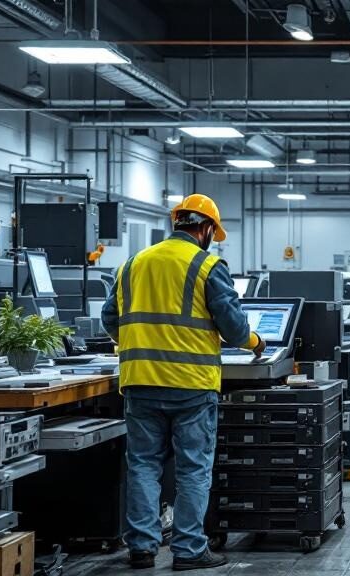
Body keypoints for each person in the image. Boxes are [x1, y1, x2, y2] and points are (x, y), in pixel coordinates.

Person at [102, 194, 265, 571]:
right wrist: (256, 343)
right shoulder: (207, 264)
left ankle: (141, 549)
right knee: (193, 468)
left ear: (178, 221)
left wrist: (142, 343)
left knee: (142, 464)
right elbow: (234, 327)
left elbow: (112, 319)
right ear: (206, 228)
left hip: (140, 381)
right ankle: (189, 551)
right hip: (190, 384)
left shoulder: (132, 264)